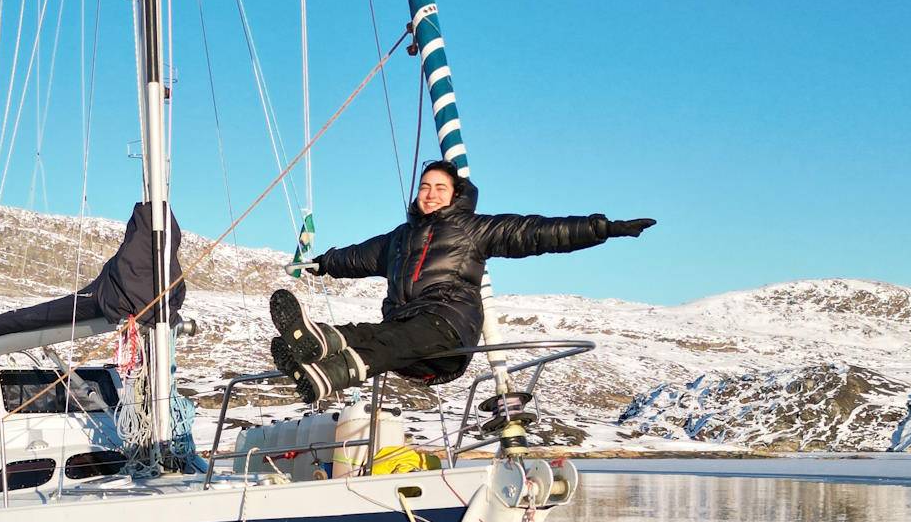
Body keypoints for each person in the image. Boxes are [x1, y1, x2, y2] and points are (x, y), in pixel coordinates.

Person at [269, 161, 655, 404]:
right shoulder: (398, 239)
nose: (430, 194)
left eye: (439, 188)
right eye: (425, 187)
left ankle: (326, 356)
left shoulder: (473, 229)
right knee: (379, 333)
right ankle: (320, 366)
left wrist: (604, 228)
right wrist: (320, 263)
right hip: (405, 340)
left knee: (396, 336)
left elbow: (540, 233)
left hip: (448, 334)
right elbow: (355, 257)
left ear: (454, 195)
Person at [0, 201, 185, 350]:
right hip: (115, 298)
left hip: (115, 298)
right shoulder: (144, 279)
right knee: (26, 318)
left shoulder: (145, 277)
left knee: (27, 318)